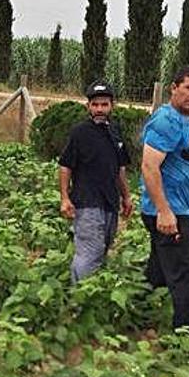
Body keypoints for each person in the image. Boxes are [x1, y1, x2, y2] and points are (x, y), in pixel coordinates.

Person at [140, 65, 189, 330]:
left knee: (158, 271)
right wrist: (165, 211)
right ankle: (186, 338)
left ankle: (137, 314)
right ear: (174, 87)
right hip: (170, 211)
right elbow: (149, 166)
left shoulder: (187, 120)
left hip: (181, 210)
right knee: (188, 275)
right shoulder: (166, 121)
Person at [59, 82, 132, 284]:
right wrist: (65, 198)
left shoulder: (115, 132)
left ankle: (94, 294)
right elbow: (65, 166)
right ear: (88, 107)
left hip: (110, 202)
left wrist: (126, 196)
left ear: (111, 106)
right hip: (86, 201)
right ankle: (78, 299)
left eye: (104, 104)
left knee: (104, 248)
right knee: (90, 252)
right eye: (95, 105)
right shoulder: (80, 133)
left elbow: (120, 168)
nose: (100, 109)